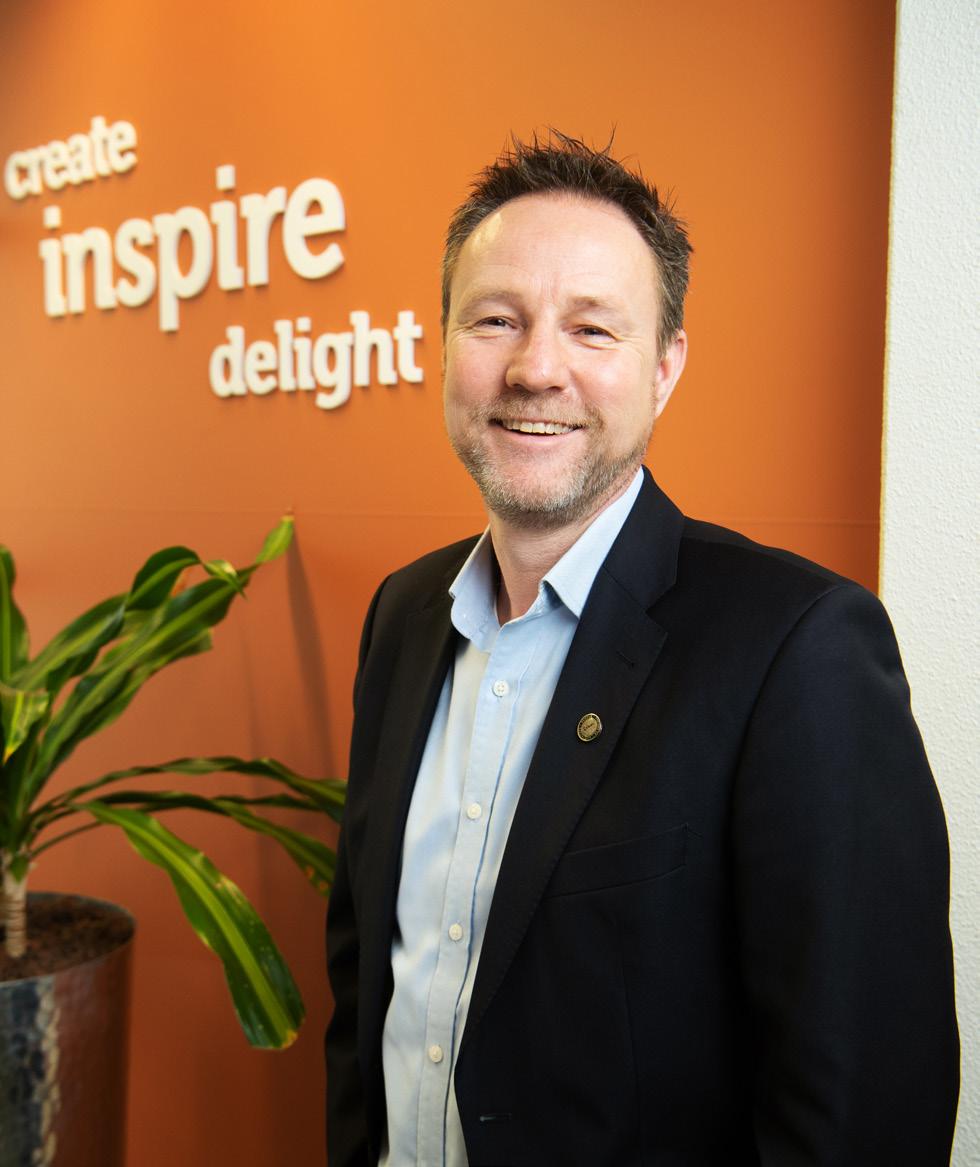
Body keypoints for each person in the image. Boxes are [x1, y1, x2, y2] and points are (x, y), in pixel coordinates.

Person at [325, 132, 959, 1167]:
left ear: (664, 369)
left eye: (592, 329)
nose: (536, 368)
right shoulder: (402, 618)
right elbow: (366, 987)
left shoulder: (797, 648)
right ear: (442, 346)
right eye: (495, 319)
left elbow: (863, 1103)